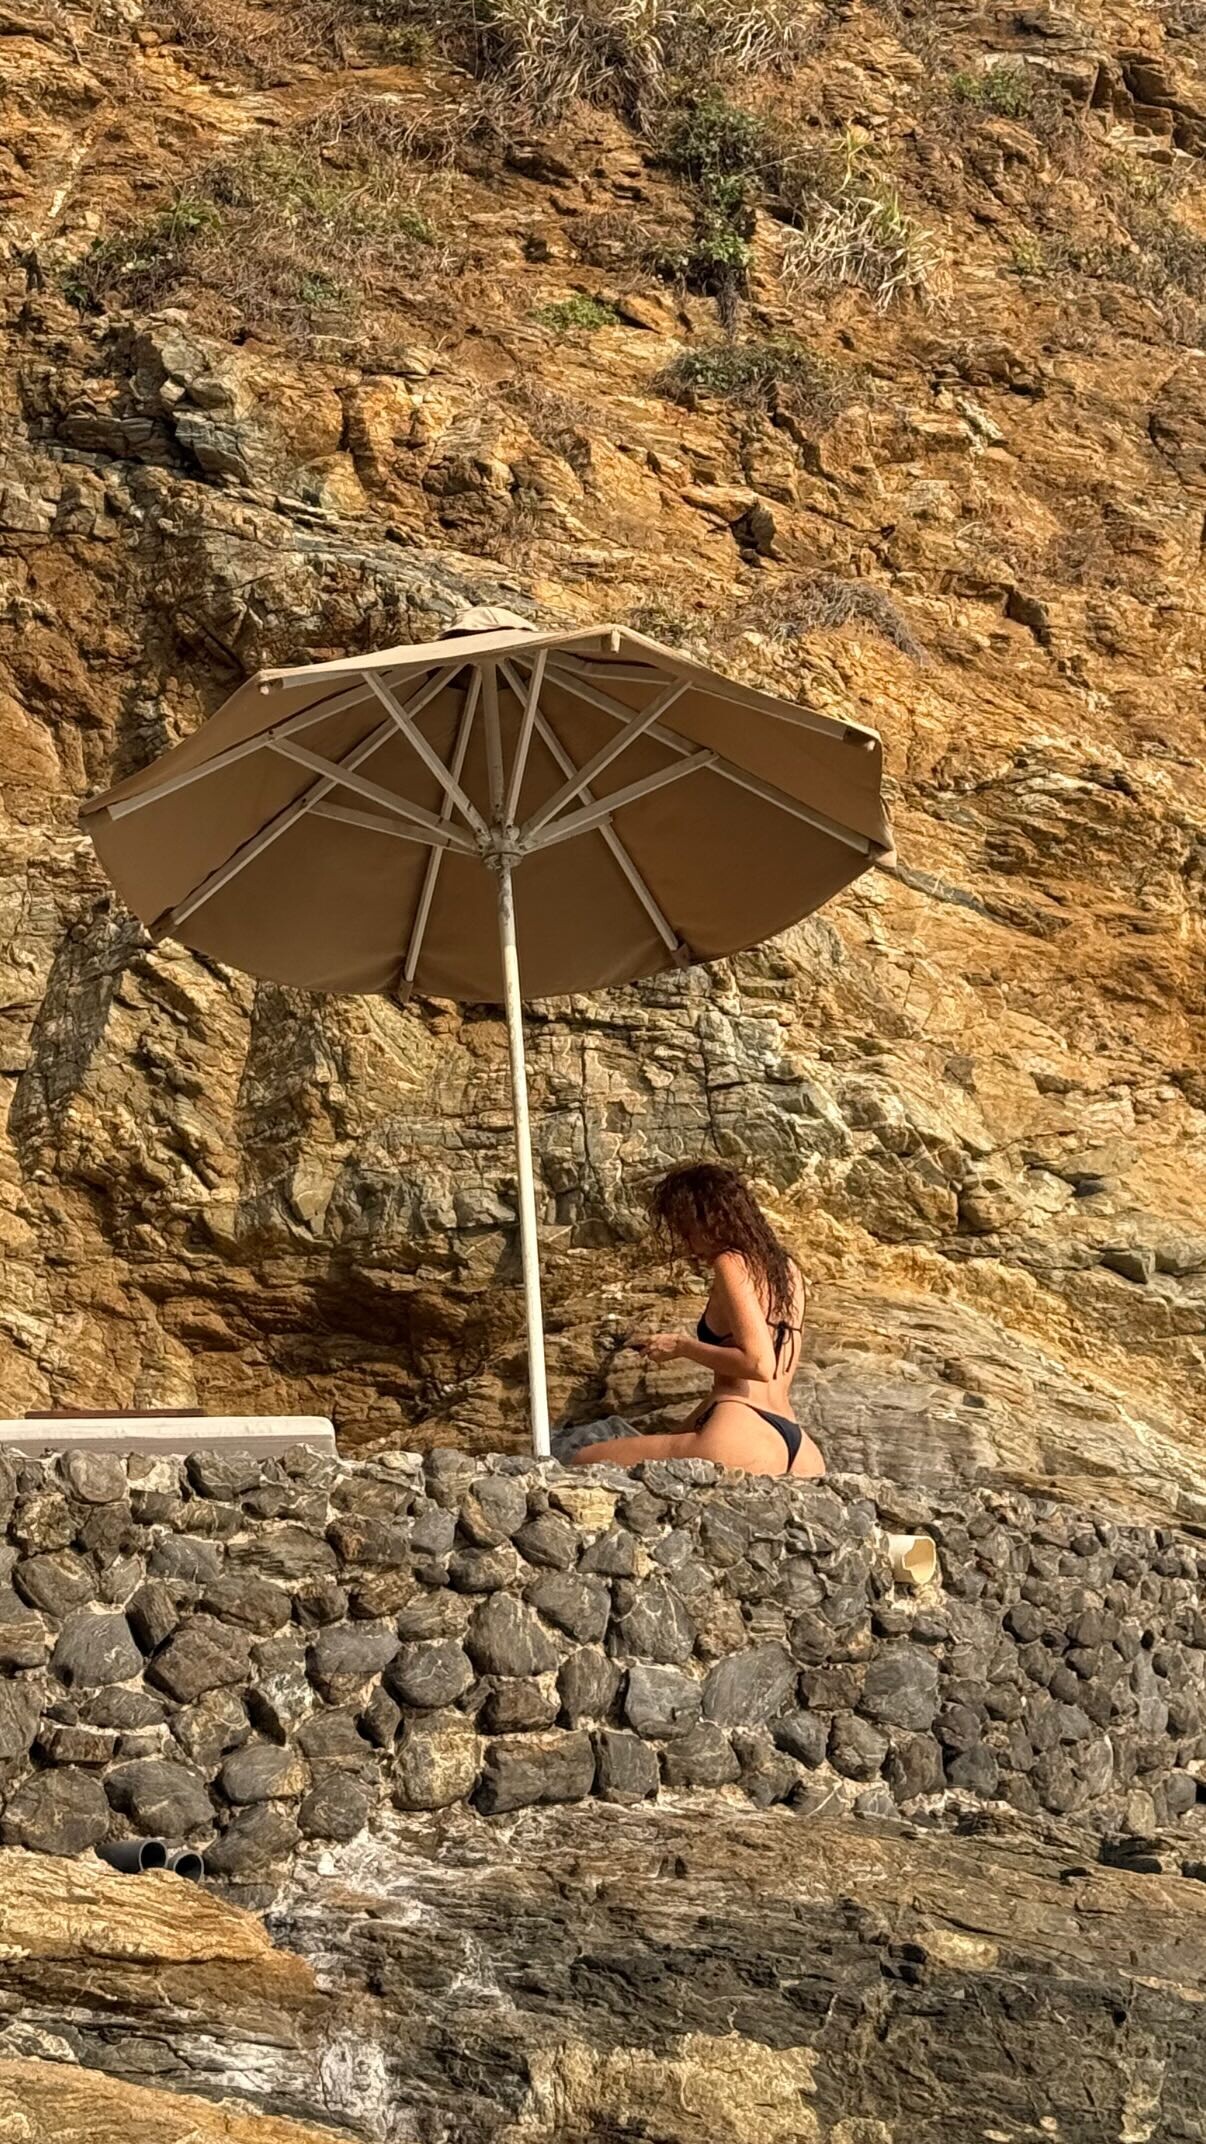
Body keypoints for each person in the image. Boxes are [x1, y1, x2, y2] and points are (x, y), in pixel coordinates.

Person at [571, 1162, 824, 1479]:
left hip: (741, 1430)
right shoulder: (788, 1269)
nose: (687, 1244)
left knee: (583, 1458)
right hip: (797, 1447)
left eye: (686, 1229)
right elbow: (738, 1387)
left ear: (710, 1220)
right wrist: (682, 1431)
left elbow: (758, 1364)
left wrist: (681, 1346)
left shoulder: (730, 1262)